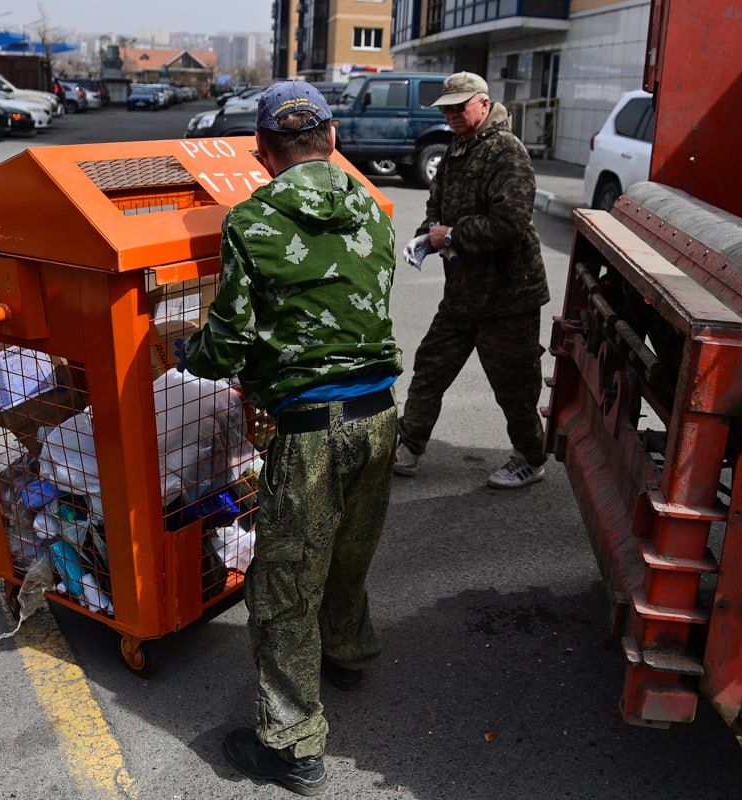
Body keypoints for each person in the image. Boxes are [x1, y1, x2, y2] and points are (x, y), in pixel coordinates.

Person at [178, 79, 401, 797]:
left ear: (263, 151)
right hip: (380, 416)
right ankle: (350, 652)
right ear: (332, 139)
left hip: (311, 433)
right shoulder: (370, 200)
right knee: (349, 549)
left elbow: (227, 345)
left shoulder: (252, 220)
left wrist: (187, 351)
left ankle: (292, 746)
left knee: (281, 588)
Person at [394, 71, 550, 489]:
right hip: (463, 293)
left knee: (514, 386)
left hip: (508, 296)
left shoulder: (507, 151)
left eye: (459, 107)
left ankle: (530, 458)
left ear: (483, 103)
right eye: (446, 108)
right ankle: (408, 445)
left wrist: (453, 235)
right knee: (431, 367)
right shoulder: (457, 149)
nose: (451, 116)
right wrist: (426, 237)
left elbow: (511, 223)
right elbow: (436, 204)